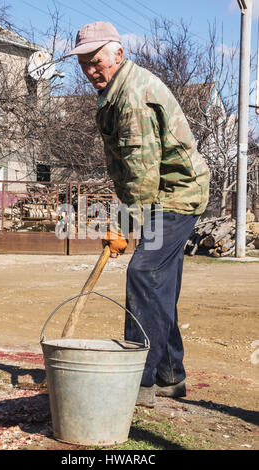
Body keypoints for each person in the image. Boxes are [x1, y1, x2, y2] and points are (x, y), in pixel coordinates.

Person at [65, 21, 210, 407]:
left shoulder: (131, 97)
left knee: (144, 273)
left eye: (96, 61)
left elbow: (142, 176)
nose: (91, 70)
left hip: (177, 195)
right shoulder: (115, 91)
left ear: (118, 55)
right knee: (158, 283)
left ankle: (138, 381)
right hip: (162, 193)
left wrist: (123, 228)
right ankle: (169, 375)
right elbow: (133, 171)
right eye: (84, 64)